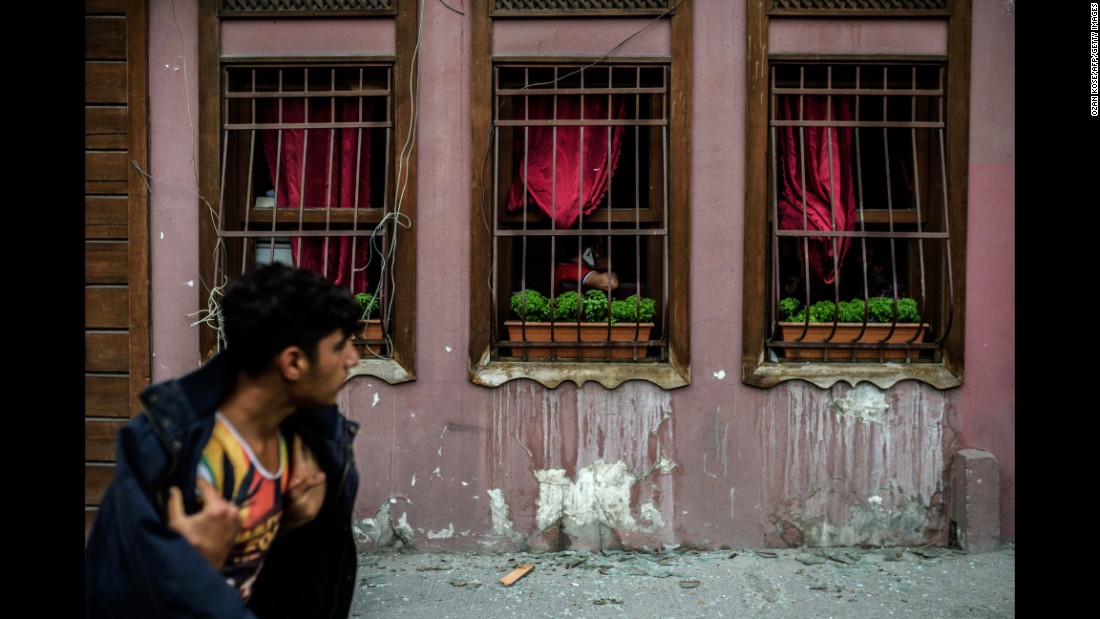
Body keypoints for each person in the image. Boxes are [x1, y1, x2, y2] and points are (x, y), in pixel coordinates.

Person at [85, 263, 364, 619]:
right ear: (293, 363)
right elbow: (112, 594)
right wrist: (193, 572)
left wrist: (291, 527)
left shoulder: (307, 437)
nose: (352, 359)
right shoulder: (167, 450)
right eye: (340, 347)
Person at [551, 236, 619, 294]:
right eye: (599, 248)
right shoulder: (569, 269)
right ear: (589, 250)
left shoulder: (564, 267)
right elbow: (610, 283)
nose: (600, 253)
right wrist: (608, 268)